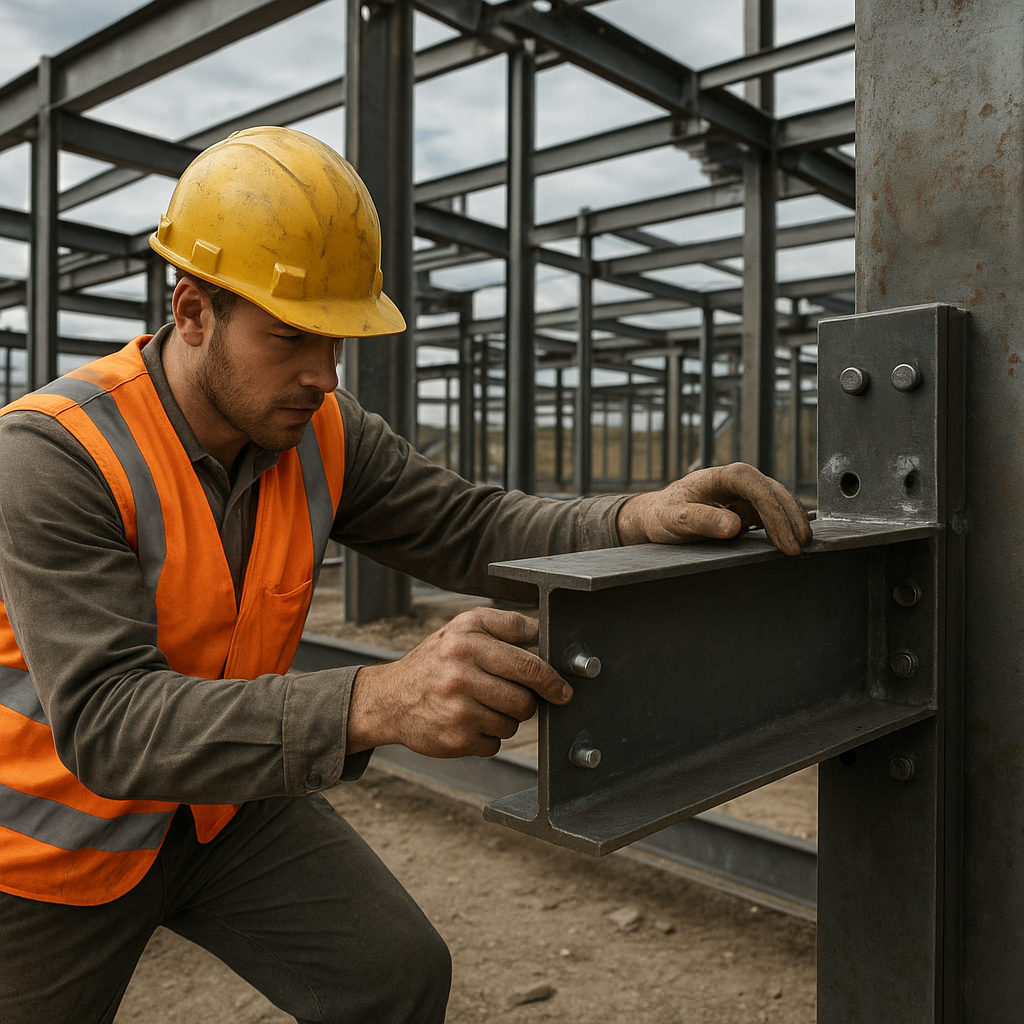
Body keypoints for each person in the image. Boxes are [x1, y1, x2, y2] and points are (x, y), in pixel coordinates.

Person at [0, 126, 812, 1023]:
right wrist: (380, 700)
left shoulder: (322, 431)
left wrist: (633, 518)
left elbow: (470, 525)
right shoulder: (53, 455)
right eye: (290, 337)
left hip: (219, 809)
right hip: (48, 844)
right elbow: (109, 723)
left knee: (393, 975)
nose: (322, 374)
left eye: (338, 340)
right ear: (192, 312)